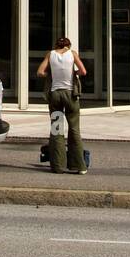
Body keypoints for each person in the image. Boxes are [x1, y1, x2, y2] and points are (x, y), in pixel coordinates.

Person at [37, 36, 87, 174]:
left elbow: (40, 72)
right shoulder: (72, 53)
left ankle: (58, 166)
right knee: (74, 129)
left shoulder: (50, 54)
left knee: (56, 129)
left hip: (55, 95)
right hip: (70, 94)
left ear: (56, 46)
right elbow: (83, 71)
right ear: (68, 46)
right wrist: (74, 73)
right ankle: (79, 166)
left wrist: (51, 74)